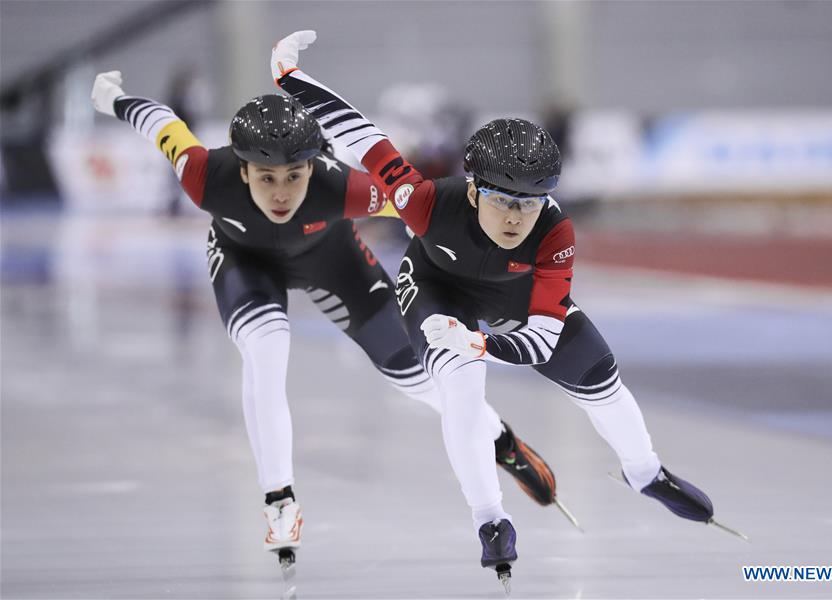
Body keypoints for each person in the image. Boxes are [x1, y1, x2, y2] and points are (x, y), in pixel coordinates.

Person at [270, 30, 718, 588]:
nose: (515, 217)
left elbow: (543, 341)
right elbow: (363, 137)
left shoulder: (554, 231)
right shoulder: (426, 201)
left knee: (602, 379)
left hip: (513, 300)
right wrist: (289, 78)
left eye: (530, 204)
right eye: (505, 200)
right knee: (460, 390)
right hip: (437, 288)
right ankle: (490, 519)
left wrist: (482, 342)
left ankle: (645, 473)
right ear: (477, 191)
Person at [89, 72, 564, 570]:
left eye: (295, 175)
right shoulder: (205, 174)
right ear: (241, 168)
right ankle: (280, 501)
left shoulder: (343, 187)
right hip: (245, 263)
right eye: (266, 176)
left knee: (416, 380)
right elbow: (161, 123)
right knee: (266, 350)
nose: (281, 192)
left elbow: (437, 210)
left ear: (315, 167)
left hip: (333, 261)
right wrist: (117, 97)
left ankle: (501, 441)